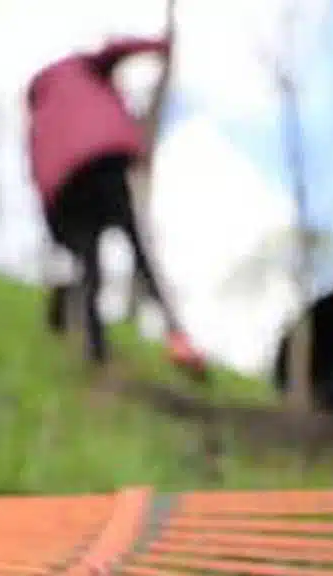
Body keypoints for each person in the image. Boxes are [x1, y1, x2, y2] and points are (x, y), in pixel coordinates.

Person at [26, 36, 207, 378]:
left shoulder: (40, 110)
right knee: (138, 249)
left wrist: (55, 224)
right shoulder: (80, 67)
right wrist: (158, 45)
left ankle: (96, 352)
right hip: (102, 160)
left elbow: (35, 166)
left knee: (90, 266)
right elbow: (116, 50)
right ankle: (178, 337)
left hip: (66, 188)